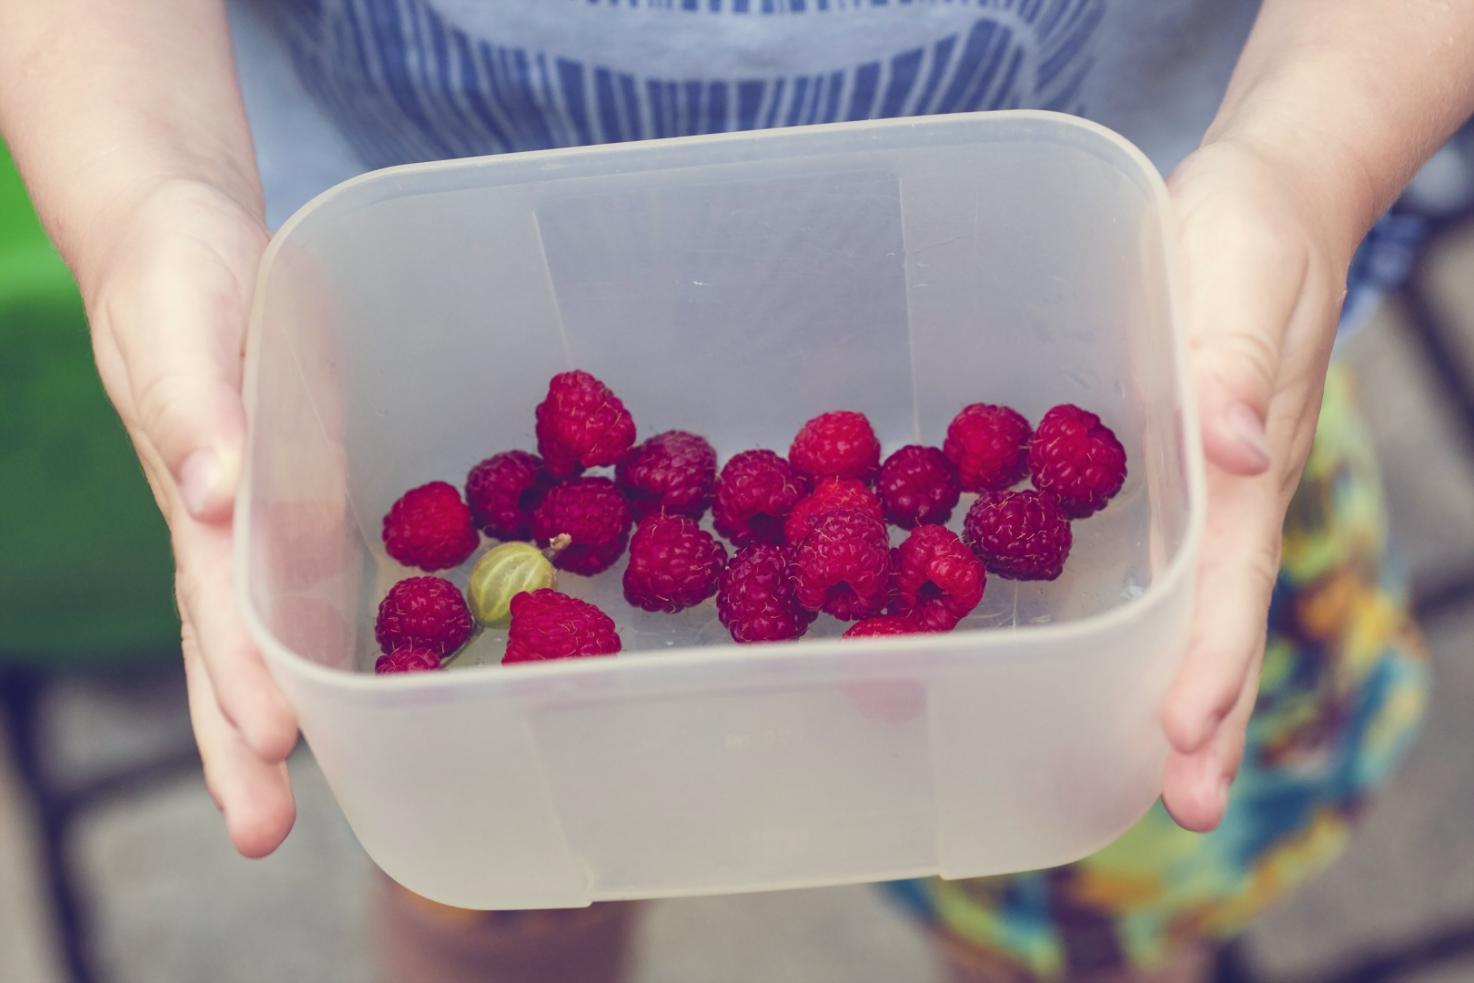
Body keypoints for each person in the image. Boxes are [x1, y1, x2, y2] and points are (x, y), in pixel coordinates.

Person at [0, 1, 1467, 979]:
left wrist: (1297, 156)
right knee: (496, 893)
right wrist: (150, 199)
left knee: (1081, 871)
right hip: (431, 333)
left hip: (1151, 329)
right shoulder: (576, 509)